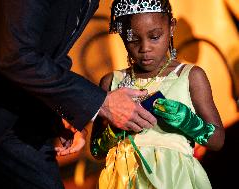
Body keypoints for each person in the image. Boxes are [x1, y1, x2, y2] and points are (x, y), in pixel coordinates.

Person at [0, 0, 157, 188]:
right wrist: (101, 103)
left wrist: (65, 108)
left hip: (19, 114)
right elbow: (17, 57)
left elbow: (51, 50)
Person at [90, 0, 225, 188]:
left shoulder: (189, 76)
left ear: (171, 27)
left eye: (154, 37)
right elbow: (96, 149)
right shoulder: (111, 81)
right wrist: (115, 129)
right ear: (121, 35)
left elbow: (218, 140)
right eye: (133, 38)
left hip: (174, 179)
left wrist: (188, 121)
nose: (145, 48)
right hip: (124, 181)